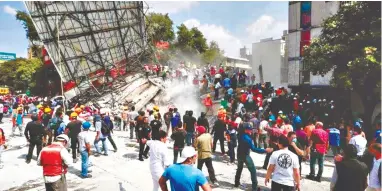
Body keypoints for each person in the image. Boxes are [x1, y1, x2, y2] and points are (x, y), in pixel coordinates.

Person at [235, 122, 271, 190]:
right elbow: (254, 149)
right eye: (249, 129)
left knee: (239, 168)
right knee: (253, 171)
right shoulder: (247, 139)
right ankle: (254, 188)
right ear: (245, 130)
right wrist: (265, 150)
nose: (251, 131)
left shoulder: (240, 135)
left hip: (239, 154)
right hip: (246, 156)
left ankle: (236, 183)